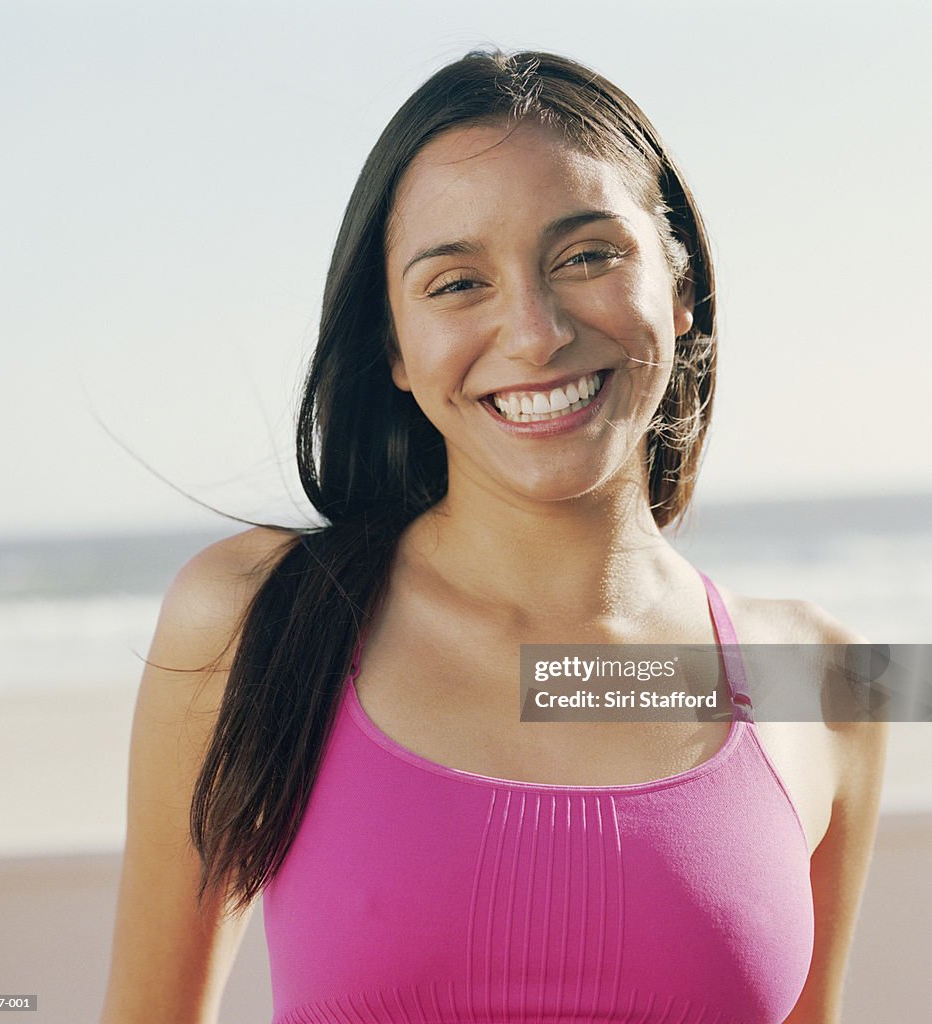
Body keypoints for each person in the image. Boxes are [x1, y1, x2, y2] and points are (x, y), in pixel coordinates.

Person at [100, 50, 887, 1024]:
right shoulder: (251, 622)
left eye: (588, 255)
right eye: (457, 281)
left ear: (679, 288)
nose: (535, 329)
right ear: (392, 345)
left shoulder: (832, 680)